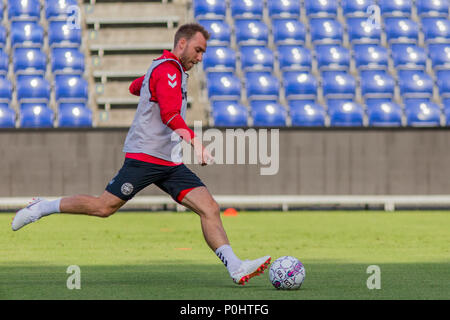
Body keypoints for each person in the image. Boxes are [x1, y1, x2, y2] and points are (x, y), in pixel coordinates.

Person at [12, 23, 271, 286]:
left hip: (169, 161)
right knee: (104, 207)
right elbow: (169, 114)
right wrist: (196, 143)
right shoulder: (169, 70)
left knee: (210, 208)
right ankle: (42, 207)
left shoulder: (166, 68)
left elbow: (135, 88)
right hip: (145, 157)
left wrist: (148, 86)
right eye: (198, 50)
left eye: (203, 52)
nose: (200, 57)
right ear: (182, 43)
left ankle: (236, 267)